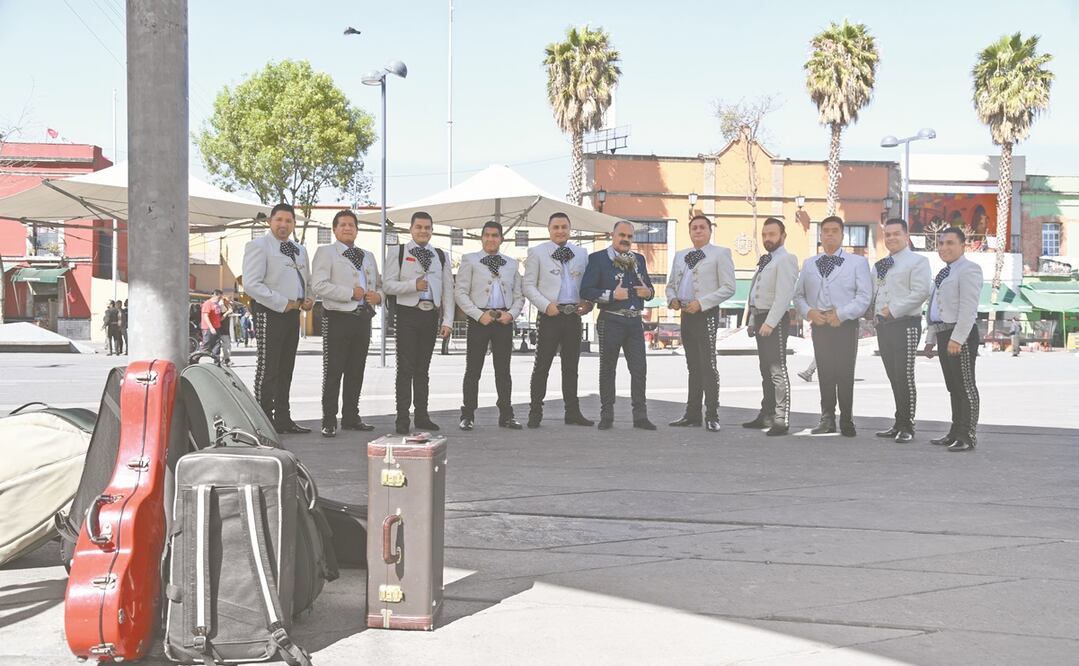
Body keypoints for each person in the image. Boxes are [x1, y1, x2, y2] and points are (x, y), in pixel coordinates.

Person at [793, 215, 872, 437]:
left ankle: (847, 420)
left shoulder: (858, 262)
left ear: (842, 234)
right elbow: (798, 296)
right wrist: (809, 312)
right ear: (820, 235)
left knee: (845, 373)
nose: (829, 234)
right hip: (819, 324)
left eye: (834, 231)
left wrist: (843, 314)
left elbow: (865, 296)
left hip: (845, 324)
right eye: (825, 230)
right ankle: (826, 419)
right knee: (825, 373)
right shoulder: (809, 263)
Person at [242, 202, 314, 434]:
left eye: (289, 221)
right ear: (270, 222)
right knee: (268, 368)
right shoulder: (258, 246)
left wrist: (308, 298)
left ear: (294, 224)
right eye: (279, 220)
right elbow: (251, 284)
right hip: (269, 312)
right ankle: (263, 422)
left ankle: (283, 418)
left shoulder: (299, 249)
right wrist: (283, 303)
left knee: (286, 368)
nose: (283, 225)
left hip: (293, 314)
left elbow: (307, 280)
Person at [311, 209, 382, 438]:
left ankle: (351, 417)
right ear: (334, 229)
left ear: (357, 229)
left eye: (351, 224)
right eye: (342, 224)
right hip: (338, 317)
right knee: (333, 371)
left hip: (363, 318)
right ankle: (329, 419)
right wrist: (350, 293)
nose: (347, 228)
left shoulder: (368, 255)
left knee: (356, 371)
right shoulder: (326, 252)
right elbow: (318, 286)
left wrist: (378, 297)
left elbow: (378, 285)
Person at [580, 220, 657, 430]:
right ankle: (607, 415)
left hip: (634, 321)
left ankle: (640, 416)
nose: (625, 240)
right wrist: (612, 294)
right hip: (610, 319)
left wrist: (648, 293)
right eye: (622, 235)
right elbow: (586, 290)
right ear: (612, 236)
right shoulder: (597, 259)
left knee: (639, 369)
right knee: (607, 369)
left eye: (629, 237)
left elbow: (649, 289)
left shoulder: (639, 259)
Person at [383, 211, 454, 435]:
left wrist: (448, 320)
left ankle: (422, 415)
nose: (423, 231)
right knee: (405, 368)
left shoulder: (440, 255)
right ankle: (402, 417)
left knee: (423, 369)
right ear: (411, 229)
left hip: (430, 315)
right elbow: (388, 286)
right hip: (407, 314)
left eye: (427, 228)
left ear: (432, 230)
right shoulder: (399, 252)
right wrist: (413, 285)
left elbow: (448, 291)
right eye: (419, 227)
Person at [522, 212, 594, 428]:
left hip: (573, 316)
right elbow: (528, 286)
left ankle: (572, 412)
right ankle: (535, 412)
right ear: (549, 229)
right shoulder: (537, 252)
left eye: (564, 227)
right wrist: (545, 305)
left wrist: (589, 302)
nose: (560, 231)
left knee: (571, 367)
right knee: (542, 366)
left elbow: (588, 283)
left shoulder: (581, 253)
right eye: (556, 227)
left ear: (570, 229)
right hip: (550, 315)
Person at [666, 214, 736, 432]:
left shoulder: (720, 253)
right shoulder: (680, 255)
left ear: (709, 231)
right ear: (689, 232)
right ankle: (692, 413)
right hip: (686, 314)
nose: (698, 231)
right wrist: (672, 299)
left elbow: (728, 287)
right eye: (694, 228)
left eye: (702, 227)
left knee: (708, 365)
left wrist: (702, 303)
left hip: (706, 313)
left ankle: (712, 414)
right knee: (692, 366)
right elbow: (670, 285)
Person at [454, 220, 525, 430]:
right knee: (473, 369)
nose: (491, 239)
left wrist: (511, 314)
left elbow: (519, 295)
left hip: (503, 319)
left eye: (495, 235)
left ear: (501, 239)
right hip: (480, 319)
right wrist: (477, 315)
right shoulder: (470, 260)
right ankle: (468, 415)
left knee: (503, 370)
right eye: (487, 235)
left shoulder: (512, 263)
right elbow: (460, 292)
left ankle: (506, 414)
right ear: (482, 237)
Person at [872, 218, 931, 443]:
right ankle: (898, 421)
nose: (891, 238)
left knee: (904, 375)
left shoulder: (918, 261)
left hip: (906, 323)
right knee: (893, 376)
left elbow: (921, 292)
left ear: (906, 236)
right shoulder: (880, 264)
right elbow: (874, 293)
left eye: (896, 233)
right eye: (887, 234)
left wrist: (892, 310)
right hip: (884, 326)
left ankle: (908, 425)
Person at [924, 228, 983, 452]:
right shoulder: (943, 272)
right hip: (942, 333)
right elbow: (934, 308)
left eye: (950, 243)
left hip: (961, 335)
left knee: (966, 386)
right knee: (953, 386)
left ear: (962, 245)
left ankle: (967, 435)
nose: (944, 248)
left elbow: (969, 309)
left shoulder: (969, 269)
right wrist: (930, 338)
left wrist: (958, 338)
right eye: (940, 243)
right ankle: (955, 431)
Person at [742, 217, 800, 436]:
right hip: (760, 317)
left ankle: (780, 418)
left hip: (773, 320)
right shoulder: (767, 259)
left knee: (777, 369)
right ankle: (766, 414)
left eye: (772, 234)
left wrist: (770, 322)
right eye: (765, 235)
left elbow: (784, 295)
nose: (767, 238)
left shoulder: (786, 259)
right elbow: (754, 293)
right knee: (765, 369)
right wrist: (751, 320)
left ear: (783, 237)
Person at [199, 289, 224, 359]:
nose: (219, 299)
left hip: (217, 327)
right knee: (206, 345)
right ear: (214, 295)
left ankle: (217, 361)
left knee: (217, 344)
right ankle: (195, 359)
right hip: (208, 328)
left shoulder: (217, 305)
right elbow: (205, 316)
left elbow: (219, 317)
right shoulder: (207, 304)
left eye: (220, 298)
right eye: (219, 297)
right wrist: (211, 327)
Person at [214, 295, 235, 366]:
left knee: (227, 345)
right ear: (224, 301)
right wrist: (227, 312)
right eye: (227, 302)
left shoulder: (226, 307)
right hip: (222, 330)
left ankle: (224, 360)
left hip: (226, 330)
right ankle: (226, 360)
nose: (228, 303)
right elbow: (220, 319)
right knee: (226, 345)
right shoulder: (220, 308)